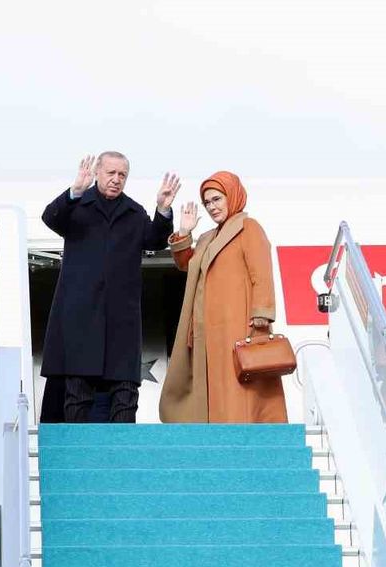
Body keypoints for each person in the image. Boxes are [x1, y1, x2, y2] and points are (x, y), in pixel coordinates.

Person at [41, 153, 178, 422]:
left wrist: (162, 209)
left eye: (122, 175)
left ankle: (122, 449)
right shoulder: (77, 205)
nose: (116, 179)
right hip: (80, 317)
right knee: (77, 393)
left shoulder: (134, 212)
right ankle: (79, 448)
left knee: (125, 394)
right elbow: (50, 218)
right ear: (97, 172)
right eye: (111, 173)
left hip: (121, 320)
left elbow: (155, 240)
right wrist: (75, 191)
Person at [159, 171, 287, 423]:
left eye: (217, 199)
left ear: (232, 196)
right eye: (207, 202)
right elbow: (186, 264)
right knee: (214, 385)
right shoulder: (207, 237)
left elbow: (261, 272)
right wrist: (184, 232)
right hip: (206, 329)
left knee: (238, 384)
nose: (211, 207)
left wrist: (262, 312)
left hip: (239, 324)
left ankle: (242, 434)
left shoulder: (248, 227)